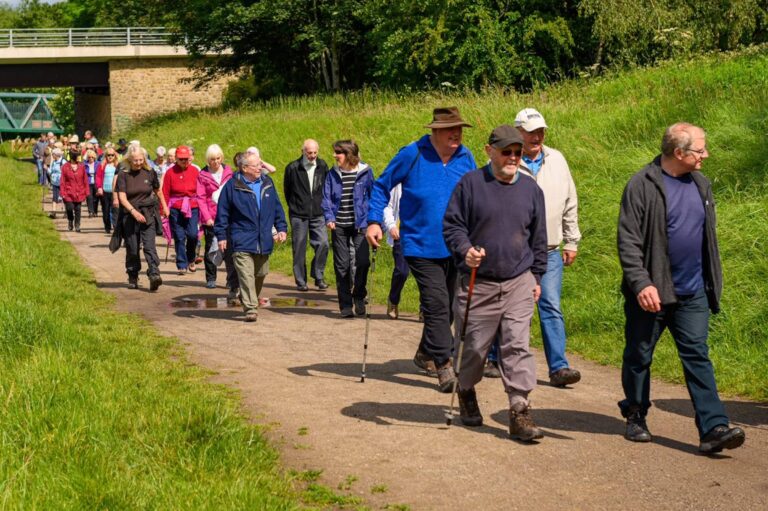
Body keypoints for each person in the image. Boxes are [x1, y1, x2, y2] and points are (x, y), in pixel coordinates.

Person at [617, 122, 745, 454]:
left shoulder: (701, 184)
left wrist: (710, 281)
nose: (706, 155)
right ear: (679, 153)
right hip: (652, 293)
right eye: (700, 150)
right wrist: (641, 283)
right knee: (639, 356)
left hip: (692, 291)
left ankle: (713, 426)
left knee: (697, 355)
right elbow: (628, 241)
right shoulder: (641, 185)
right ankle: (635, 413)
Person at [444, 124, 547, 441]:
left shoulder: (531, 190)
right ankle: (466, 389)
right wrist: (466, 250)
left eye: (517, 152)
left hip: (518, 280)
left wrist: (537, 276)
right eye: (507, 152)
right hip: (479, 282)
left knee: (517, 345)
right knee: (474, 348)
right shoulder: (471, 184)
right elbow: (453, 227)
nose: (514, 157)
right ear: (490, 151)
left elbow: (539, 238)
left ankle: (520, 410)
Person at [366, 106, 476, 392]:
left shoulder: (466, 157)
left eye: (460, 129)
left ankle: (426, 352)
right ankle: (444, 365)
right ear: (435, 131)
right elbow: (380, 187)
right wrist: (374, 221)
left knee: (450, 306)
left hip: (456, 246)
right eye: (451, 130)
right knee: (436, 304)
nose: (457, 134)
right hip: (419, 244)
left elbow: (477, 197)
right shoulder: (412, 154)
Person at [513, 108, 582, 387]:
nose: (537, 136)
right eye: (531, 131)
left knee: (550, 305)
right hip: (515, 250)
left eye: (540, 131)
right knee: (514, 307)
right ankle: (496, 357)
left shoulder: (557, 159)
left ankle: (558, 367)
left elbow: (570, 201)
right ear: (519, 132)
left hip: (550, 248)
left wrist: (572, 239)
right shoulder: (509, 159)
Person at [214, 151, 288, 322]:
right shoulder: (232, 186)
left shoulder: (267, 182)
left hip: (263, 238)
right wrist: (221, 236)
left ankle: (248, 297)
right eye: (256, 165)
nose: (260, 167)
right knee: (246, 275)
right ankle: (251, 307)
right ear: (245, 168)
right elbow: (222, 213)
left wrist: (281, 227)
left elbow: (277, 207)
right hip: (241, 237)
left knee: (261, 273)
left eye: (260, 164)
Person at [322, 140, 374, 317]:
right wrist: (329, 217)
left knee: (363, 262)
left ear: (349, 154)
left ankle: (359, 296)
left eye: (338, 153)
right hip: (339, 226)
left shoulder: (365, 172)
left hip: (361, 225)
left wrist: (374, 222)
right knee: (342, 266)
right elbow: (326, 197)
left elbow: (374, 196)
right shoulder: (332, 173)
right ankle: (345, 305)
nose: (335, 155)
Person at [116, 145, 169, 291]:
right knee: (133, 248)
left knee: (149, 246)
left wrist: (164, 206)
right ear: (129, 160)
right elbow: (122, 197)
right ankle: (133, 275)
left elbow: (158, 191)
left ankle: (154, 274)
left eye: (141, 160)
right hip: (130, 215)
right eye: (135, 161)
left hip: (148, 214)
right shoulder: (123, 174)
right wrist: (134, 212)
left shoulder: (149, 172)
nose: (138, 163)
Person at [284, 139, 330, 291]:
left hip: (318, 212)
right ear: (303, 151)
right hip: (299, 214)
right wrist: (295, 206)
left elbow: (326, 188)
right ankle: (301, 281)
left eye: (315, 152)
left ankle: (318, 275)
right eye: (309, 153)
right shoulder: (292, 168)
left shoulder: (322, 166)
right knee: (299, 247)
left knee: (323, 243)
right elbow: (287, 191)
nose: (312, 156)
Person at [197, 144, 238, 291]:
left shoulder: (229, 172)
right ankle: (211, 277)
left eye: (218, 158)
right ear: (208, 160)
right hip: (211, 217)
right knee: (211, 248)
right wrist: (207, 217)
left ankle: (230, 279)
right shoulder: (202, 175)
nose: (216, 161)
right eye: (213, 159)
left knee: (229, 250)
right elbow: (200, 198)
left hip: (227, 216)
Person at [162, 145, 200, 274]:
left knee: (193, 234)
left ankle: (191, 258)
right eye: (181, 159)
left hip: (192, 206)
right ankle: (181, 263)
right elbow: (165, 192)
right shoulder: (170, 172)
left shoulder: (195, 171)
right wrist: (164, 209)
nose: (184, 161)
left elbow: (201, 190)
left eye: (186, 159)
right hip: (175, 208)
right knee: (179, 236)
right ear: (176, 159)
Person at [60, 144, 89, 232]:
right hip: (68, 192)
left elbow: (85, 180)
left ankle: (77, 225)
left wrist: (86, 192)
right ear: (73, 157)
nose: (78, 158)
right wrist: (63, 193)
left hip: (79, 192)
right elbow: (62, 181)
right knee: (69, 208)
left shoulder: (81, 167)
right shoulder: (65, 167)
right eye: (76, 156)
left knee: (78, 209)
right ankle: (70, 220)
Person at [96, 148, 120, 233]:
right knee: (105, 211)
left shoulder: (118, 165)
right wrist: (99, 187)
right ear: (105, 156)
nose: (110, 157)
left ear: (115, 156)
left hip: (115, 192)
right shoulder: (102, 165)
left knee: (115, 211)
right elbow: (98, 177)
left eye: (112, 155)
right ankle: (107, 227)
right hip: (105, 191)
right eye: (108, 155)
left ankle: (116, 227)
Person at [47, 147, 65, 219]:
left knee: (64, 198)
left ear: (56, 154)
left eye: (53, 154)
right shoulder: (53, 162)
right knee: (54, 197)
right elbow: (50, 172)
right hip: (54, 182)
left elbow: (67, 171)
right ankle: (54, 212)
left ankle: (67, 212)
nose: (52, 155)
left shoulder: (63, 162)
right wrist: (46, 169)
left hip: (62, 182)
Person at [83, 149, 100, 218]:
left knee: (96, 198)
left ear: (94, 157)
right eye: (89, 157)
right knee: (89, 197)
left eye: (92, 157)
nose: (91, 159)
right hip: (88, 183)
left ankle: (95, 211)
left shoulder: (98, 164)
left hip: (96, 182)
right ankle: (90, 212)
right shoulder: (85, 164)